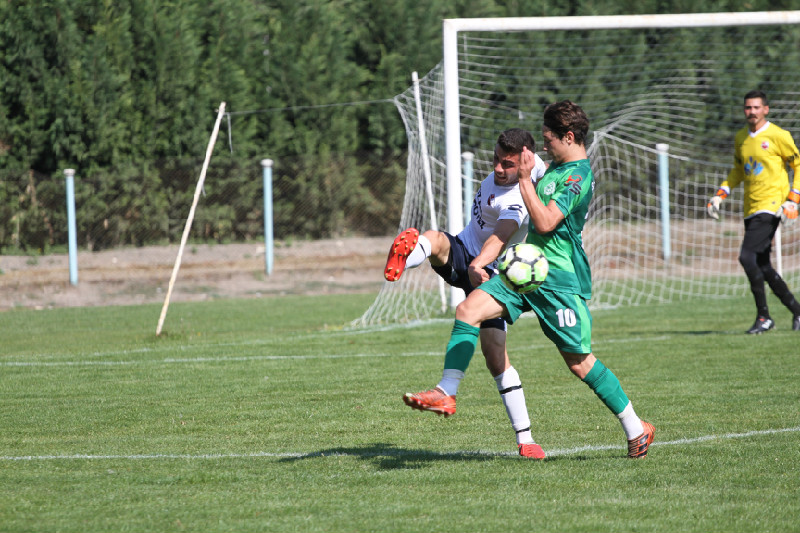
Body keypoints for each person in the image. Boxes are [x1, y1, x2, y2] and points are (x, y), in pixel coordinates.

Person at [402, 101, 655, 459]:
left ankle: (635, 427)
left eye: (550, 139)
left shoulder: (577, 177)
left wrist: (522, 179)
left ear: (569, 137)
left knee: (579, 362)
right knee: (467, 310)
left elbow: (546, 222)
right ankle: (446, 391)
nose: (545, 145)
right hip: (524, 270)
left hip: (559, 278)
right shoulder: (550, 168)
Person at [384, 128, 548, 458]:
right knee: (435, 239)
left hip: (489, 273)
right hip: (464, 251)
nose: (499, 169)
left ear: (525, 161)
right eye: (496, 161)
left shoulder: (518, 197)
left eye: (508, 164)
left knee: (496, 357)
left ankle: (526, 440)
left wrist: (480, 264)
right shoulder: (533, 164)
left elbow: (502, 234)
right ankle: (405, 258)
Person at [707, 90, 800, 334]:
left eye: (756, 107)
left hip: (771, 206)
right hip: (750, 207)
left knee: (746, 257)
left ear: (765, 110)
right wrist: (721, 193)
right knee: (763, 265)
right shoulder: (741, 138)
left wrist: (794, 198)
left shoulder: (779, 135)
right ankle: (797, 311)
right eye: (748, 108)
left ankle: (763, 317)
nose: (752, 112)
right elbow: (738, 170)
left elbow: (797, 164)